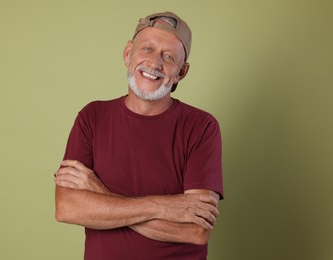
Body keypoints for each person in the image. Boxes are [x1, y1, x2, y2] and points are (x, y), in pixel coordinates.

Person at [54, 11, 224, 260]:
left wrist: (100, 194)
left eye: (168, 57)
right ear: (127, 53)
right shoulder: (92, 117)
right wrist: (162, 207)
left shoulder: (202, 127)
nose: (155, 63)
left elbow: (195, 231)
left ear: (181, 72)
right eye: (147, 49)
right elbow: (67, 208)